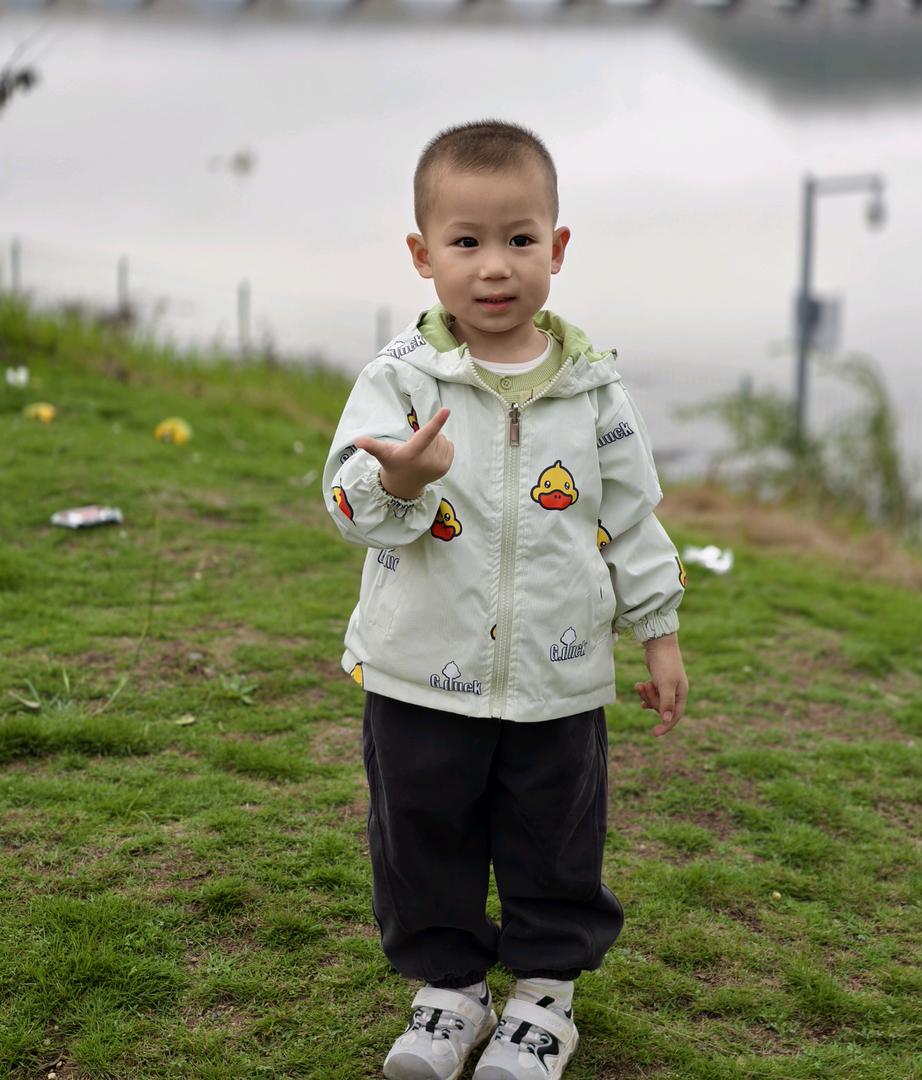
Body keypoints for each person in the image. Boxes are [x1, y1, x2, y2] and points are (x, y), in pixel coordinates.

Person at [322, 118, 689, 1080]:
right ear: (422, 254)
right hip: (415, 673)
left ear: (557, 249)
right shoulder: (399, 381)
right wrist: (401, 481)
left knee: (553, 841)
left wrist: (658, 634)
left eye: (520, 240)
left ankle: (543, 1002)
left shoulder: (596, 392)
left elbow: (632, 522)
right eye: (467, 242)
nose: (495, 267)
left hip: (557, 678)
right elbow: (349, 507)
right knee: (422, 837)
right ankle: (446, 997)